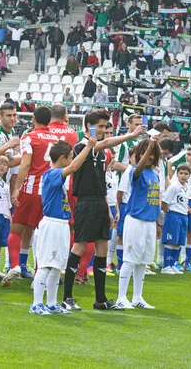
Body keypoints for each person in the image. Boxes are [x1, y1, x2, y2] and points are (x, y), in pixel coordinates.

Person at [61, 110, 145, 312]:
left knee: (102, 248)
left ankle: (100, 299)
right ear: (88, 126)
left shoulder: (102, 152)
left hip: (99, 202)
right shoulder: (83, 146)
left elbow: (102, 183)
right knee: (79, 247)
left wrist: (107, 208)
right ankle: (67, 297)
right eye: (99, 126)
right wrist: (131, 135)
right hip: (85, 203)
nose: (103, 130)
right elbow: (105, 143)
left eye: (105, 127)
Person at [30, 137, 96, 316]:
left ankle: (51, 303)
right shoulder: (51, 174)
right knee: (45, 265)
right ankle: (36, 303)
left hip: (61, 225)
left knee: (57, 266)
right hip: (51, 224)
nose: (71, 160)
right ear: (62, 158)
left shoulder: (56, 176)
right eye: (69, 157)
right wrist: (89, 147)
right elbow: (74, 167)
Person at [4, 106, 58, 285]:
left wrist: (17, 187)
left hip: (31, 189)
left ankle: (15, 266)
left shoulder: (29, 137)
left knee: (16, 228)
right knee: (40, 233)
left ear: (34, 119)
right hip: (50, 191)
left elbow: (26, 163)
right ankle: (38, 272)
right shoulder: (56, 138)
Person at [116, 137, 161, 310]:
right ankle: (121, 297)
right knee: (130, 260)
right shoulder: (135, 171)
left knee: (143, 261)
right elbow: (139, 169)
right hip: (135, 220)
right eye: (145, 153)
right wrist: (150, 146)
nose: (149, 157)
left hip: (150, 222)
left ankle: (137, 297)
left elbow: (155, 199)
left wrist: (157, 222)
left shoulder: (156, 175)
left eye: (152, 154)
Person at [160, 164, 190, 275]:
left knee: (179, 242)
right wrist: (168, 212)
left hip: (183, 216)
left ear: (189, 175)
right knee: (171, 240)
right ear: (177, 174)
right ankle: (166, 266)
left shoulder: (187, 187)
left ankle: (172, 265)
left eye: (186, 174)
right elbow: (165, 201)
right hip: (174, 215)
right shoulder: (174, 186)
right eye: (181, 173)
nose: (183, 176)